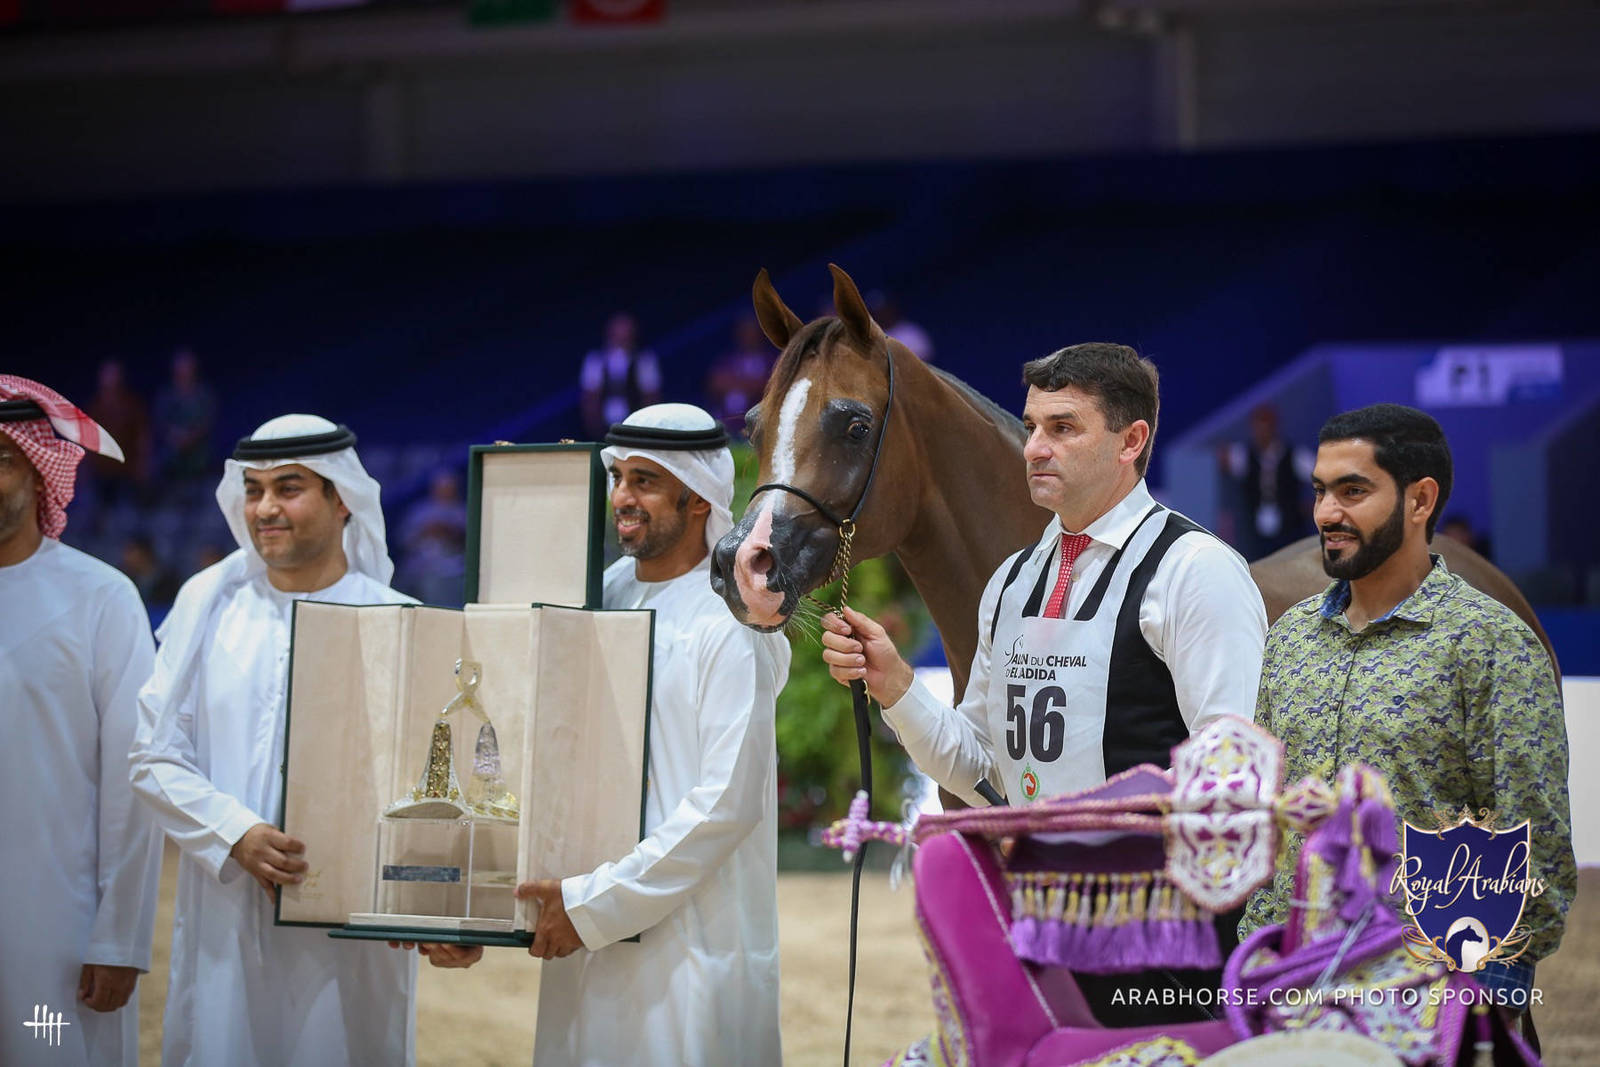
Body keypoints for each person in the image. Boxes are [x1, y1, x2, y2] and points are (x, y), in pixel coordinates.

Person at [821, 343, 1267, 1022]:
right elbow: (977, 767)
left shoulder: (1196, 570)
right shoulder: (1012, 581)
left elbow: (1232, 784)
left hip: (1165, 942)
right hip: (1039, 925)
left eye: (1063, 427)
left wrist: (1083, 845)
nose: (1033, 447)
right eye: (1031, 426)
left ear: (1132, 440)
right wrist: (898, 688)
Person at [422, 403, 791, 1067]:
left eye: (645, 480)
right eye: (618, 476)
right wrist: (482, 912)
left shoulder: (731, 622)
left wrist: (595, 903)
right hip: (580, 928)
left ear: (699, 496)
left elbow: (725, 805)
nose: (622, 496)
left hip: (690, 947)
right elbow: (538, 763)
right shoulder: (598, 598)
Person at [1240, 404, 1573, 1042]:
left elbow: (1534, 842)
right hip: (1290, 998)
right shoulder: (1288, 640)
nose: (1325, 514)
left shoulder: (1492, 643)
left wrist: (1485, 1006)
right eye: (1319, 491)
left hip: (1430, 1005)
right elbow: (1271, 823)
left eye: (1352, 490)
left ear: (1420, 500)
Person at [129, 414, 417, 1065]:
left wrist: (430, 902)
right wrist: (235, 830)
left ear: (342, 497)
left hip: (354, 944)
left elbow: (428, 790)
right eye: (253, 489)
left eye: (288, 488)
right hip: (226, 918)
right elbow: (151, 756)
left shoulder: (398, 622)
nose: (265, 508)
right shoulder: (209, 608)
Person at [0, 376, 163, 1067]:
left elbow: (136, 781)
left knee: (47, 1050)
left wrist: (120, 937)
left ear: (38, 470)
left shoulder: (100, 598)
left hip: (52, 941)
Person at [1222, 403, 1314, 558]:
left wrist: (1312, 504)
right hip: (1255, 530)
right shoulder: (1244, 455)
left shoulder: (1294, 455)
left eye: (1266, 427)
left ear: (1275, 427)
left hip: (1290, 526)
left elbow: (1319, 474)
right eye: (1258, 428)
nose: (1262, 433)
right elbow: (1220, 459)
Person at [578, 312, 662, 440]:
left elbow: (650, 396)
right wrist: (594, 427)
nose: (621, 337)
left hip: (635, 426)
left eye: (626, 333)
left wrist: (646, 428)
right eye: (617, 333)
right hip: (602, 427)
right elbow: (590, 398)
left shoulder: (644, 360)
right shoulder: (595, 360)